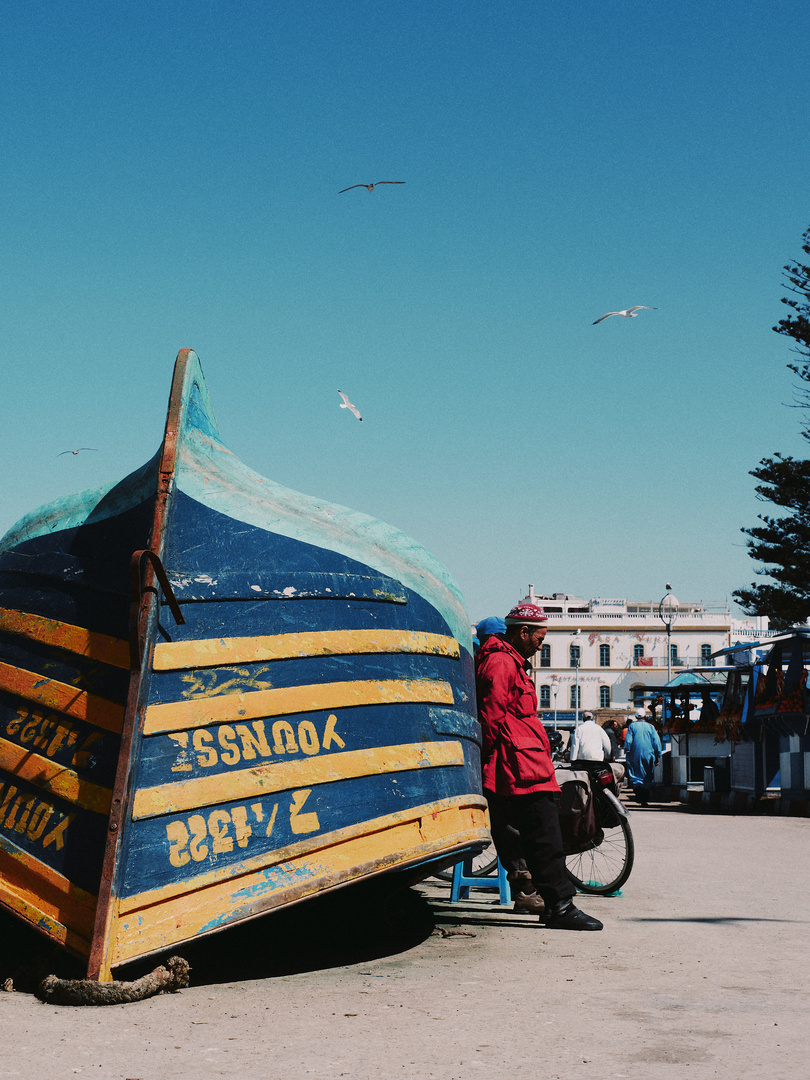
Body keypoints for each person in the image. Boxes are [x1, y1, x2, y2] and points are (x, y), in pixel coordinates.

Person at [476, 603, 603, 931]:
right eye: (539, 637)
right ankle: (560, 905)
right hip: (516, 767)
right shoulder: (501, 662)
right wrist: (488, 761)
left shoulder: (510, 662)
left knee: (542, 835)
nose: (541, 644)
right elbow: (491, 717)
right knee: (545, 835)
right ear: (523, 632)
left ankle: (554, 903)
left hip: (523, 763)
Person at [624, 709, 662, 806]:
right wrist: (658, 755)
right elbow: (656, 742)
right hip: (648, 754)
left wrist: (627, 752)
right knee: (647, 775)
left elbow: (628, 741)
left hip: (634, 754)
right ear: (645, 716)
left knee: (635, 774)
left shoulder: (632, 726)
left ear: (636, 717)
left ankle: (638, 795)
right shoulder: (651, 727)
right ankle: (644, 798)